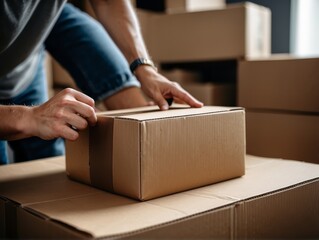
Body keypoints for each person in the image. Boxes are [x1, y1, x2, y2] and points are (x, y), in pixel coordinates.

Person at [0, 0, 203, 165]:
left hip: (26, 60)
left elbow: (108, 2)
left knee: (47, 163)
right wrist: (30, 118)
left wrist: (145, 69)